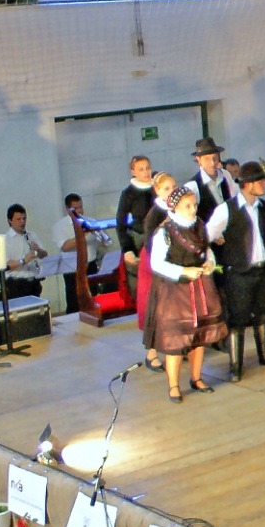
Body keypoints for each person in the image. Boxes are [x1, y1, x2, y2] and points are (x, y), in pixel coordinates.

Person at [206, 160, 265, 382]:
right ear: (248, 184)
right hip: (238, 273)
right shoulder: (226, 209)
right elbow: (206, 235)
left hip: (262, 270)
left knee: (263, 313)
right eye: (261, 181)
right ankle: (235, 365)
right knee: (237, 319)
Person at [143, 185, 228, 404]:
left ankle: (196, 378)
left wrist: (210, 264)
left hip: (199, 288)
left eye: (194, 205)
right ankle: (173, 385)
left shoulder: (199, 226)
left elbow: (207, 250)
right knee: (176, 339)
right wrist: (183, 272)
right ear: (175, 207)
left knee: (198, 336)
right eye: (187, 206)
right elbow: (156, 263)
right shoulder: (164, 232)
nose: (193, 209)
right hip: (173, 291)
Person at [137, 173, 179, 372]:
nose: (171, 191)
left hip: (173, 261)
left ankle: (175, 348)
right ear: (157, 191)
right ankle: (152, 353)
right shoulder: (155, 213)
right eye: (166, 189)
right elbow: (150, 243)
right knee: (156, 308)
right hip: (154, 263)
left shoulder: (177, 208)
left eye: (173, 187)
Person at [52, 193, 113, 314]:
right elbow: (64, 246)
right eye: (76, 208)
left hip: (91, 266)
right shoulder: (60, 226)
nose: (79, 211)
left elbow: (106, 242)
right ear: (67, 209)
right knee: (74, 303)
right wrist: (82, 234)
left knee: (93, 299)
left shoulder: (90, 221)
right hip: (72, 269)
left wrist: (100, 235)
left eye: (81, 207)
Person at [117, 155, 154, 298]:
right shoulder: (128, 193)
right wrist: (127, 249)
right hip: (139, 240)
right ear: (133, 172)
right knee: (141, 287)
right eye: (141, 169)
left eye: (147, 168)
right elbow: (121, 223)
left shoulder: (158, 187)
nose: (145, 172)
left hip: (160, 237)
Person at [186, 137, 237, 223]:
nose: (212, 163)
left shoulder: (225, 175)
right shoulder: (193, 186)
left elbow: (235, 200)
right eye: (207, 159)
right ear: (199, 160)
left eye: (215, 158)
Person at [2, 204, 48, 298]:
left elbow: (45, 255)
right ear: (10, 220)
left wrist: (38, 250)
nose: (22, 222)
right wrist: (23, 260)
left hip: (34, 281)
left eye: (24, 218)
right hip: (16, 284)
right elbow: (5, 265)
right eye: (18, 219)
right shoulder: (5, 240)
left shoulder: (31, 235)